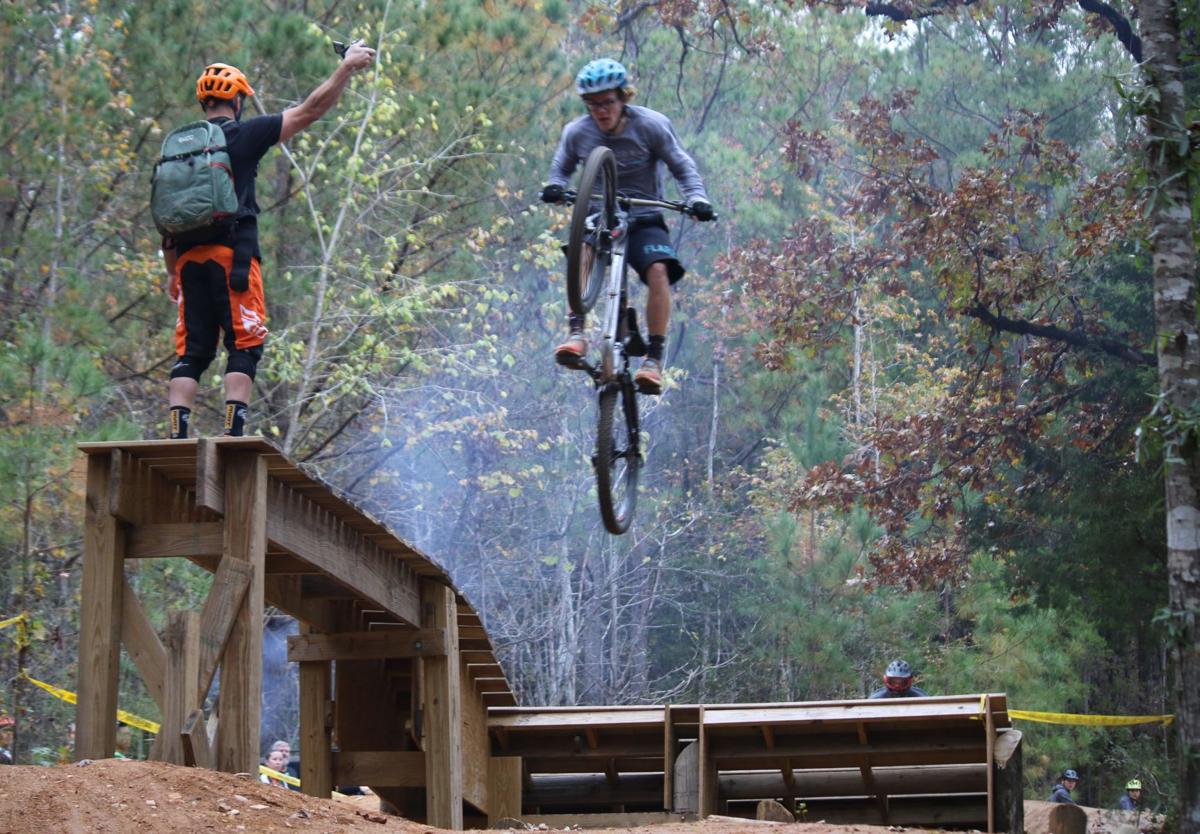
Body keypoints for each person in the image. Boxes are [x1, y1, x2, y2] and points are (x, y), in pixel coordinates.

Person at [164, 45, 376, 439]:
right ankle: (233, 431)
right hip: (235, 261)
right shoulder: (245, 134)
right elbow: (310, 109)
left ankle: (177, 431)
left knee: (191, 354)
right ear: (238, 99)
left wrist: (172, 274)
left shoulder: (180, 154)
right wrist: (345, 68)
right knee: (244, 347)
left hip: (188, 263)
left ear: (205, 102)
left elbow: (166, 220)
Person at [540, 58, 715, 396]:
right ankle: (577, 333)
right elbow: (560, 167)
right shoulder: (578, 132)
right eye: (593, 105)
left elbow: (682, 165)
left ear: (623, 98)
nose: (601, 112)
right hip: (597, 214)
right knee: (584, 250)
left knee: (659, 271)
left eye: (607, 103)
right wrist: (555, 185)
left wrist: (697, 198)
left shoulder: (651, 126)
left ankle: (653, 358)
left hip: (644, 213)